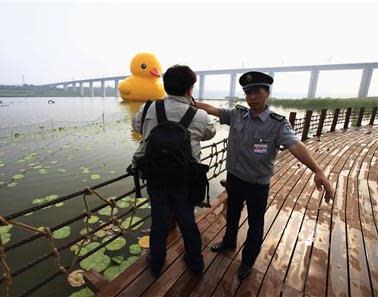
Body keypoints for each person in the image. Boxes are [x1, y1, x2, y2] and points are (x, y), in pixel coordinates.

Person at [195, 71, 334, 280]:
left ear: (267, 93)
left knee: (255, 224)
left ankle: (248, 261)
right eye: (247, 92)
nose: (251, 96)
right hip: (234, 179)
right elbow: (212, 109)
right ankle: (229, 242)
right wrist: (188, 101)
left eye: (256, 91)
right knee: (231, 215)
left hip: (257, 185)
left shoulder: (277, 123)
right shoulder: (237, 115)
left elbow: (296, 145)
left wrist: (317, 170)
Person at [131, 65, 216, 277]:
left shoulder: (149, 108)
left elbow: (136, 125)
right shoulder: (199, 115)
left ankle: (156, 263)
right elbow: (210, 133)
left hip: (155, 177)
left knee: (159, 221)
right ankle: (195, 263)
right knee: (187, 219)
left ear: (165, 86)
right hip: (185, 180)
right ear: (190, 89)